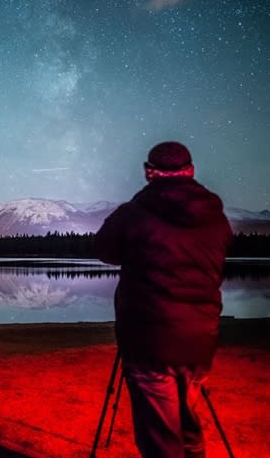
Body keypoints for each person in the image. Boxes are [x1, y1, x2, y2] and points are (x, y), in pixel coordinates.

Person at [94, 142, 232, 458]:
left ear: (149, 172)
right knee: (187, 419)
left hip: (148, 341)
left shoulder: (134, 214)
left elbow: (103, 250)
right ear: (191, 171)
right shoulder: (216, 219)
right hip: (200, 338)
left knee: (160, 436)